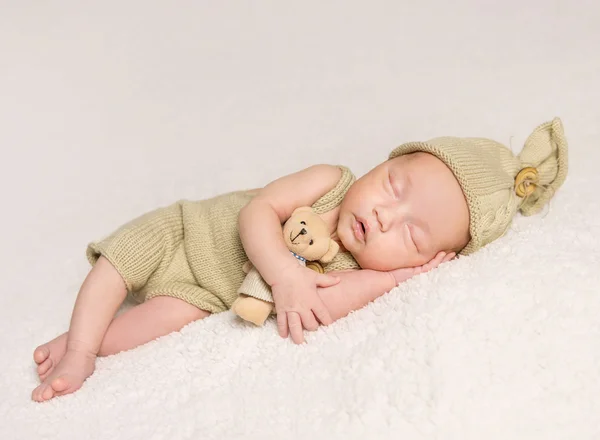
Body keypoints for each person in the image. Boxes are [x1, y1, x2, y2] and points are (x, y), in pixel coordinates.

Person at [31, 117, 568, 402]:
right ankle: (79, 347)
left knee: (151, 326)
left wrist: (402, 278)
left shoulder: (355, 273)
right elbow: (258, 213)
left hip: (203, 294)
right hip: (183, 232)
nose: (384, 216)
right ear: (382, 163)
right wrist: (286, 274)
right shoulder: (330, 183)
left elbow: (328, 306)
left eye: (412, 235)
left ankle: (79, 347)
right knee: (117, 264)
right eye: (392, 187)